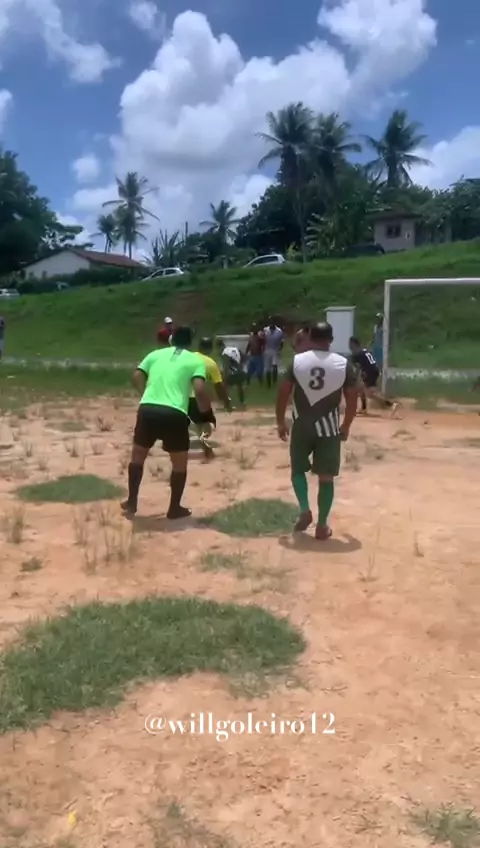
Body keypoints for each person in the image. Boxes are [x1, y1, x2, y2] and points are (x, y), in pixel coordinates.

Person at [276, 322, 358, 540]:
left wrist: (280, 422)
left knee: (297, 470)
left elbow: (283, 393)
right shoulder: (343, 364)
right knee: (326, 477)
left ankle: (304, 509)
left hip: (301, 424)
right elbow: (352, 399)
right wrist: (346, 425)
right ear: (331, 340)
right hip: (328, 428)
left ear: (310, 337)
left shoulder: (297, 362)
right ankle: (322, 525)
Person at [121, 325, 211, 519]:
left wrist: (146, 394)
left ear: (172, 340)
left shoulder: (154, 355)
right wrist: (206, 413)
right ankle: (174, 508)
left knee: (138, 456)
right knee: (179, 462)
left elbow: (136, 376)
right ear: (190, 342)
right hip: (175, 413)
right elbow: (199, 389)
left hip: (148, 408)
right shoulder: (196, 360)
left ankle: (132, 501)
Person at [189, 336, 232, 460]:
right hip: (198, 397)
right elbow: (219, 386)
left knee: (193, 423)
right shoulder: (210, 363)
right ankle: (205, 447)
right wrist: (226, 401)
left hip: (180, 397)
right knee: (206, 427)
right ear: (210, 349)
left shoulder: (188, 357)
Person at [348, 337, 398, 415]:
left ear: (354, 344)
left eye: (350, 344)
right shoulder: (364, 350)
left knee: (370, 394)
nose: (350, 346)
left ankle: (391, 404)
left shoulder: (357, 353)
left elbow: (358, 367)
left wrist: (356, 377)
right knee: (361, 388)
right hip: (373, 370)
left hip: (369, 372)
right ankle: (364, 408)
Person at [219, 340, 246, 408]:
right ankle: (242, 403)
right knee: (240, 386)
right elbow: (243, 357)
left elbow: (226, 364)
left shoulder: (224, 352)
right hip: (240, 371)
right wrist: (241, 366)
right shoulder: (234, 349)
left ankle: (227, 404)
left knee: (225, 387)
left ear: (220, 347)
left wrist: (225, 375)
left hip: (233, 372)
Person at [263, 316, 284, 388]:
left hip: (275, 350)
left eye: (272, 322)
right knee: (267, 368)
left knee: (274, 366)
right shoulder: (265, 330)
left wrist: (279, 350)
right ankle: (268, 383)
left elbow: (282, 342)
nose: (271, 323)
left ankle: (274, 380)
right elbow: (262, 340)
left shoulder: (279, 331)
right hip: (267, 350)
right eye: (270, 322)